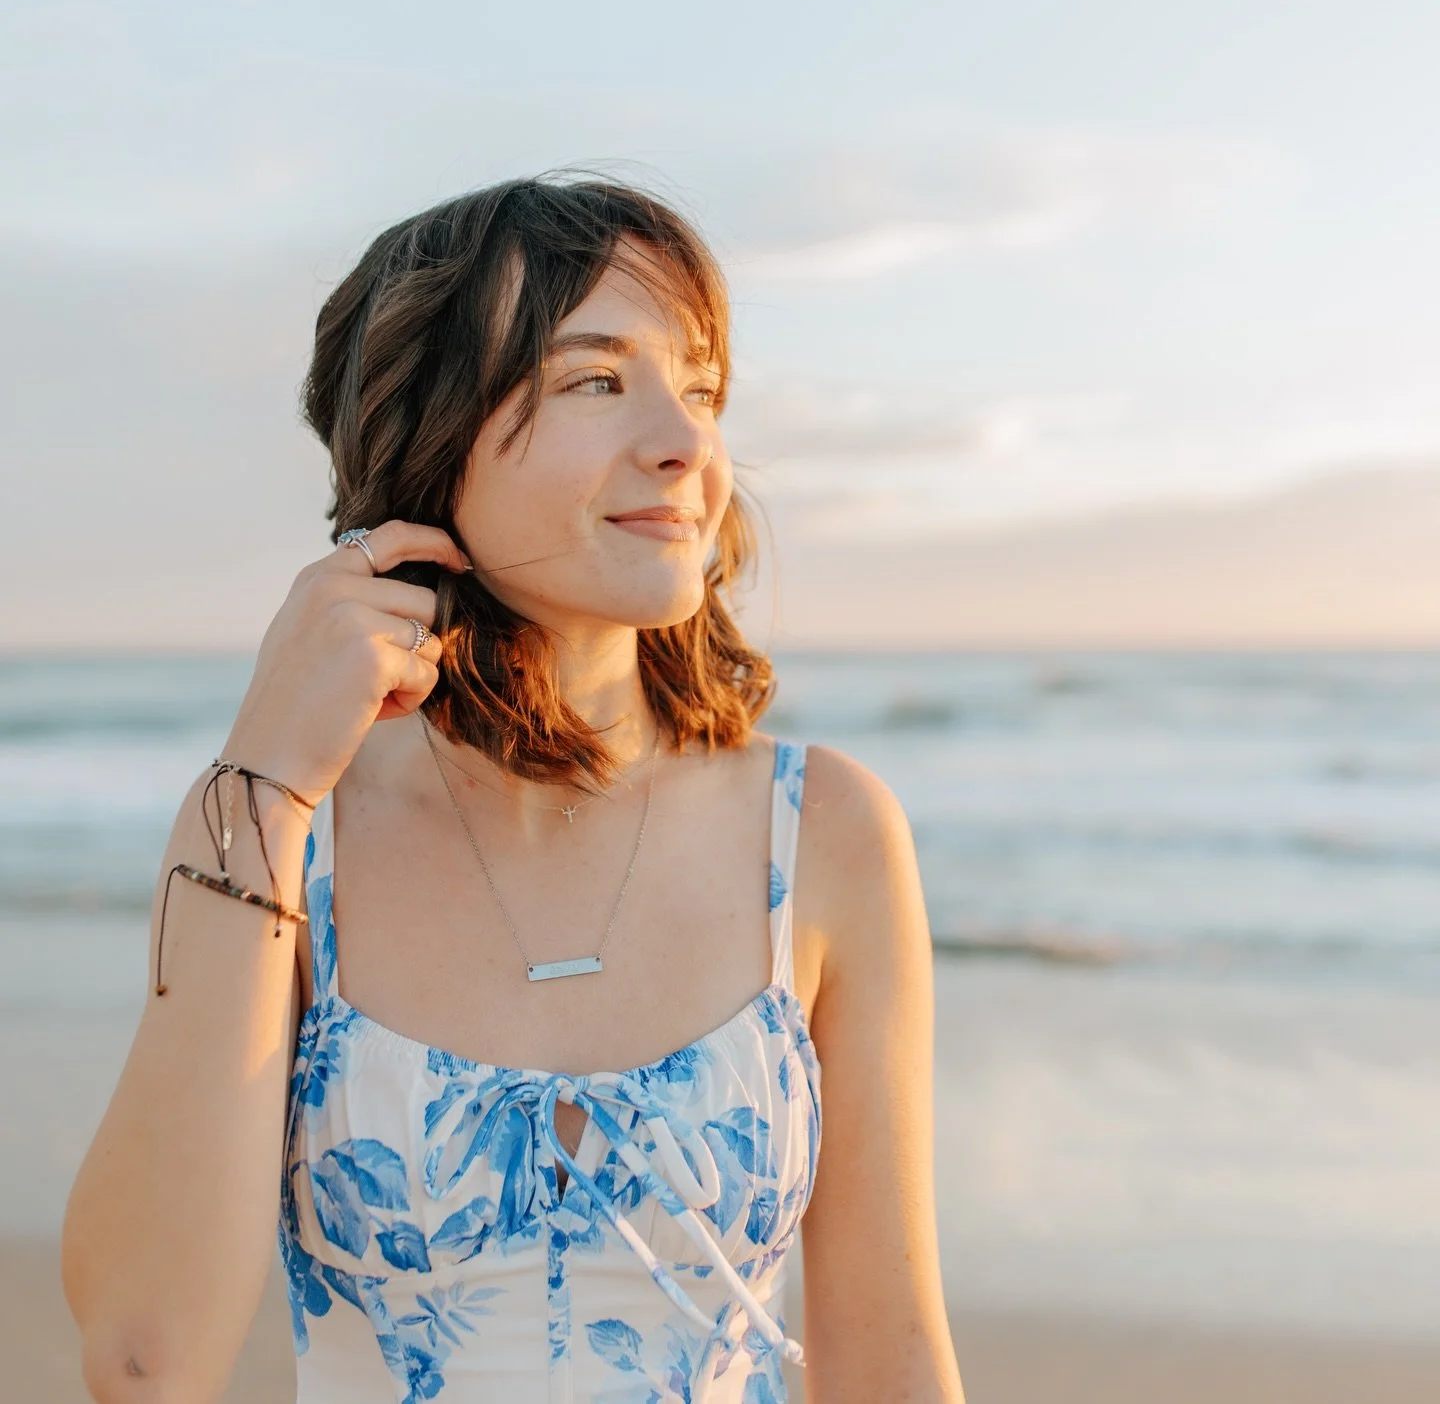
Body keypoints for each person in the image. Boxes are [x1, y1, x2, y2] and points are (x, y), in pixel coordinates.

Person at [62, 175, 965, 1404]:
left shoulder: (826, 834)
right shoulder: (277, 833)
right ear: (432, 436)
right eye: (597, 378)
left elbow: (891, 1363)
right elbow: (141, 1358)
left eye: (698, 388)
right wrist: (267, 770)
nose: (689, 441)